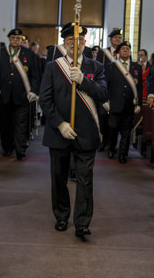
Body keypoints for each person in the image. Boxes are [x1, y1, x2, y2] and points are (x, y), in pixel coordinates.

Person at [40, 23, 107, 239]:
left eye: (78, 40)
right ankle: (61, 216)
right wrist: (60, 123)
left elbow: (103, 94)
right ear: (64, 43)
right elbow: (46, 99)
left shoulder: (95, 67)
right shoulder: (53, 67)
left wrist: (83, 82)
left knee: (85, 179)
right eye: (70, 40)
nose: (74, 44)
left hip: (86, 132)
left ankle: (82, 223)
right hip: (59, 131)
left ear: (84, 42)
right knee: (59, 178)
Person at [0, 28, 40, 159]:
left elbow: (35, 75)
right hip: (4, 96)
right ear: (9, 39)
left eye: (18, 38)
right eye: (13, 38)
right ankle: (7, 147)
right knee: (5, 124)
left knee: (21, 124)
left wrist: (34, 90)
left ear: (21, 39)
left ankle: (20, 149)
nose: (15, 40)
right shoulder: (0, 53)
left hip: (22, 95)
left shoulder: (29, 54)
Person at [104, 41, 141, 163]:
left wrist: (138, 103)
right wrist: (106, 101)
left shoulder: (137, 67)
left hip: (129, 104)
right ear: (118, 52)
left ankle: (123, 154)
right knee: (113, 128)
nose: (125, 50)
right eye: (123, 48)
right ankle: (112, 148)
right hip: (115, 103)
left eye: (127, 48)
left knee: (126, 131)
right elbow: (106, 85)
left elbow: (139, 87)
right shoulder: (112, 66)